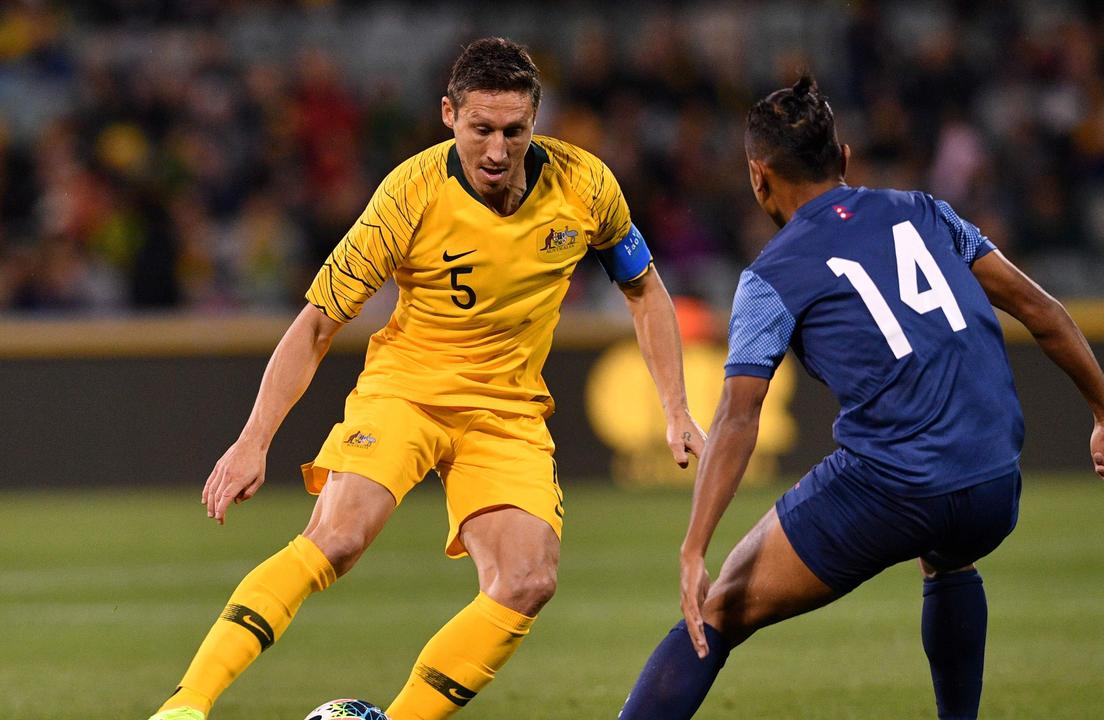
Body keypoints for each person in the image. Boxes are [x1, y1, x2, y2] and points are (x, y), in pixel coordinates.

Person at [149, 37, 705, 720]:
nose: (498, 150)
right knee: (339, 538)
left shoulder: (585, 184)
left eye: (514, 131)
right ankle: (185, 706)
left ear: (535, 122)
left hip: (506, 411)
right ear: (448, 114)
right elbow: (318, 323)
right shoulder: (409, 194)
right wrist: (253, 439)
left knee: (527, 580)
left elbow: (646, 290)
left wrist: (676, 408)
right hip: (406, 391)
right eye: (481, 129)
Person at [617, 76, 1104, 720]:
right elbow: (1042, 309)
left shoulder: (771, 275)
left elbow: (738, 415)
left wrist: (694, 546)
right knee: (947, 558)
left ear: (758, 178)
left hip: (891, 488)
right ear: (843, 158)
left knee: (718, 610)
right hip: (994, 484)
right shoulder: (927, 212)